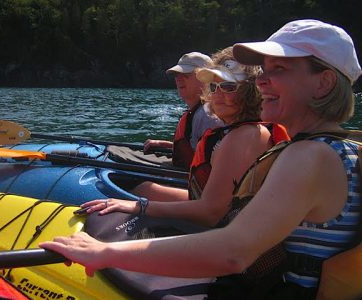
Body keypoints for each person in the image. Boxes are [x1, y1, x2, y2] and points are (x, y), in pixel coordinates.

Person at [40, 19, 362, 299]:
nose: (261, 81)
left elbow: (233, 253)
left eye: (280, 69)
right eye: (263, 70)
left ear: (324, 82)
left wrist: (103, 252)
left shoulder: (310, 156)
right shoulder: (338, 148)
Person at [74, 46, 289, 228]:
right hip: (217, 210)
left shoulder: (240, 137)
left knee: (139, 190)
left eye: (229, 87)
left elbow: (211, 212)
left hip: (222, 229)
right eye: (214, 87)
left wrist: (139, 205)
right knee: (143, 188)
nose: (219, 94)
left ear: (250, 91)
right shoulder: (249, 131)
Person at [108, 52, 224, 171]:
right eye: (176, 75)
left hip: (192, 181)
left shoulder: (208, 116)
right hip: (186, 171)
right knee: (116, 152)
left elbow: (216, 168)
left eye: (186, 74)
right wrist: (165, 145)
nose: (178, 79)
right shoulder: (199, 111)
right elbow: (199, 150)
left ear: (206, 78)